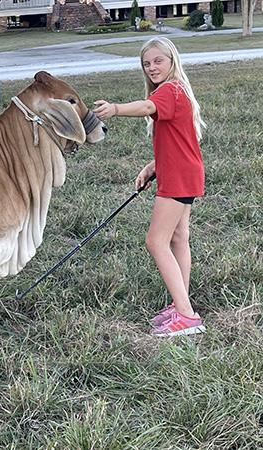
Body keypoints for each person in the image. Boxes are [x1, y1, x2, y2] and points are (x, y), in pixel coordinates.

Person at [93, 37, 206, 337]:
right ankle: (180, 303)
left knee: (156, 241)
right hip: (184, 172)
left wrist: (115, 108)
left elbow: (146, 106)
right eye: (147, 63)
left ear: (172, 61)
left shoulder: (169, 90)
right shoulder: (176, 90)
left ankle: (186, 316)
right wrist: (153, 166)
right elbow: (179, 141)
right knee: (179, 237)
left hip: (179, 178)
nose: (152, 67)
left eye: (158, 61)